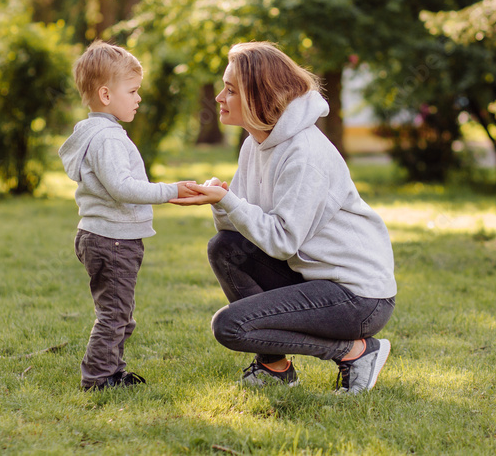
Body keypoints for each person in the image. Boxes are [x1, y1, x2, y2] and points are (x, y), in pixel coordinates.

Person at [173, 42, 397, 395]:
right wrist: (221, 202)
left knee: (230, 326)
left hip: (359, 297)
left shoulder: (304, 153)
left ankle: (356, 352)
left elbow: (281, 240)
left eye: (230, 90)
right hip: (312, 278)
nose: (219, 97)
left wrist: (229, 201)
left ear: (257, 97)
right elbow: (244, 233)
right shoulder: (254, 144)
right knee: (225, 248)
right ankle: (275, 368)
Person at [59, 41, 195, 391]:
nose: (138, 98)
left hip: (104, 236)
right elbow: (123, 187)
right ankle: (98, 379)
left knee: (119, 314)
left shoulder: (97, 132)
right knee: (114, 315)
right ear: (105, 94)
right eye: (132, 91)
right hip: (113, 240)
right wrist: (171, 190)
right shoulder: (107, 138)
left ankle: (113, 371)